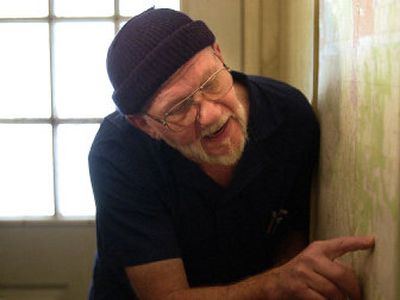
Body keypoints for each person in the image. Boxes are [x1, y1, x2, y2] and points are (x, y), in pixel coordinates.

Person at [88, 8, 374, 300]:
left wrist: (297, 279)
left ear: (219, 54)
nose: (210, 115)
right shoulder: (117, 154)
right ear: (145, 124)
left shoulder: (290, 117)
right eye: (178, 108)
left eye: (211, 81)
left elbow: (291, 231)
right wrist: (276, 284)